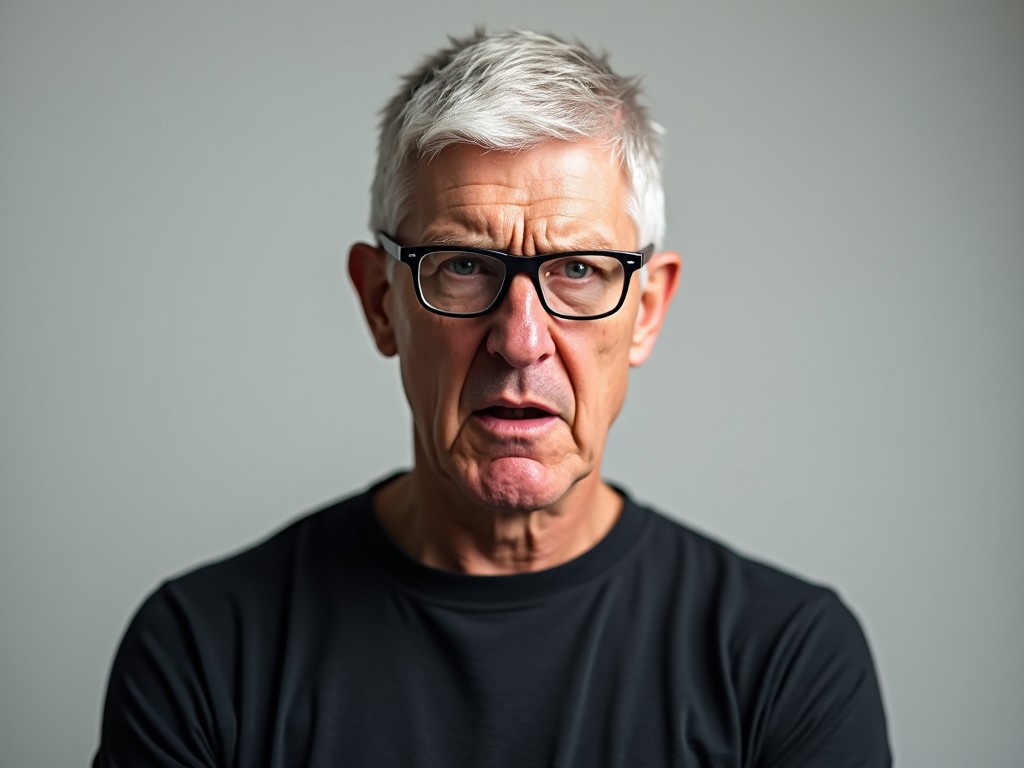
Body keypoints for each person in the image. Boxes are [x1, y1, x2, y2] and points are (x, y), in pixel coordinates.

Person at [93, 29, 891, 767]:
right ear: (380, 303)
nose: (520, 339)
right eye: (464, 266)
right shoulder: (202, 652)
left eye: (579, 270)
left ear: (646, 311)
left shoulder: (784, 661)